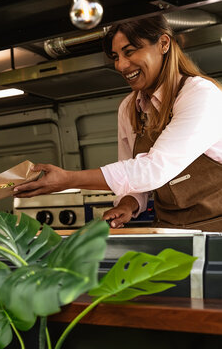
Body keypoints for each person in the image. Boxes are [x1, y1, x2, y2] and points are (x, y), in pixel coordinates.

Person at [14, 15, 222, 231]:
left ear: (163, 44)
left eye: (130, 52)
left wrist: (69, 179)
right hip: (172, 230)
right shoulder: (129, 108)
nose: (121, 65)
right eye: (115, 56)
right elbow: (136, 177)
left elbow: (153, 169)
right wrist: (128, 204)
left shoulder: (200, 94)